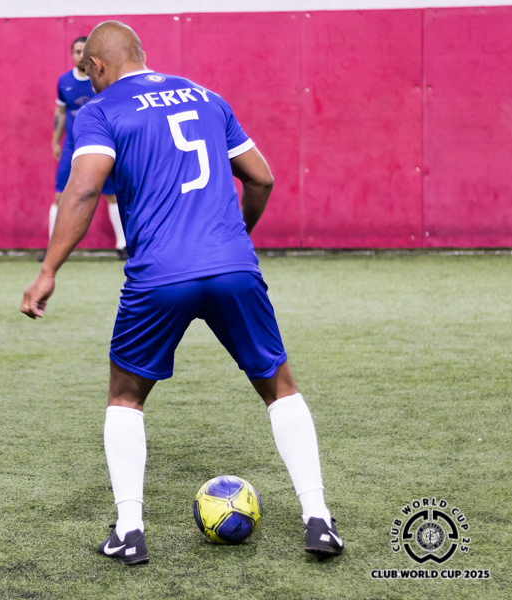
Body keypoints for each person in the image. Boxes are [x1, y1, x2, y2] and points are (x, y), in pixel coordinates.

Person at [21, 21, 343, 565]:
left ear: (97, 66)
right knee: (280, 388)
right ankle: (319, 520)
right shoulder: (208, 97)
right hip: (232, 266)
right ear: (142, 54)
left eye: (88, 72)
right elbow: (261, 178)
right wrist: (236, 236)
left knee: (126, 396)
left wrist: (49, 269)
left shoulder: (99, 110)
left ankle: (129, 532)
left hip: (160, 275)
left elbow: (84, 188)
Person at [48, 36, 127, 261]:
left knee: (112, 196)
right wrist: (55, 140)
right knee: (59, 196)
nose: (81, 56)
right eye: (77, 52)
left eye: (85, 52)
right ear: (72, 54)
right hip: (72, 147)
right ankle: (52, 248)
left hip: (101, 147)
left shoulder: (103, 80)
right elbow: (60, 112)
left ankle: (123, 245)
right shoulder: (64, 81)